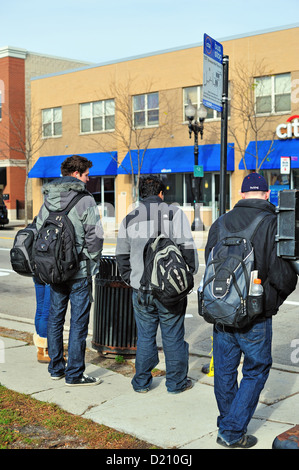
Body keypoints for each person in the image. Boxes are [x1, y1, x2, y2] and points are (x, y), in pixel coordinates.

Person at [205, 172, 297, 448]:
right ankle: (231, 431)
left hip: (222, 310)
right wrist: (271, 302)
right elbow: (283, 277)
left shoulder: (220, 223)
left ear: (242, 195)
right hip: (255, 314)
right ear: (267, 194)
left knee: (224, 370)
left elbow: (210, 265)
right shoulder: (272, 223)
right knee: (256, 370)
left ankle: (228, 422)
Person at [116, 175, 199, 394]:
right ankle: (175, 383)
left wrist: (131, 279)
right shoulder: (175, 214)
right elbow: (188, 249)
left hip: (141, 289)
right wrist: (187, 277)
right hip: (170, 289)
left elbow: (121, 256)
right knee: (173, 336)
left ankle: (142, 382)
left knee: (145, 336)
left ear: (141, 194)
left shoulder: (129, 218)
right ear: (161, 193)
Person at [36, 155, 104, 386]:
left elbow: (38, 229)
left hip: (54, 270)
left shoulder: (47, 198)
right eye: (86, 174)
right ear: (76, 174)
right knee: (78, 322)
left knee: (55, 318)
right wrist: (92, 262)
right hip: (79, 271)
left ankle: (56, 368)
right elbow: (95, 236)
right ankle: (75, 374)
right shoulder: (85, 199)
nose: (89, 178)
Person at [32, 277, 51, 363]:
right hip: (49, 271)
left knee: (40, 308)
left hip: (36, 271)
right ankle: (45, 351)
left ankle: (40, 350)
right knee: (47, 311)